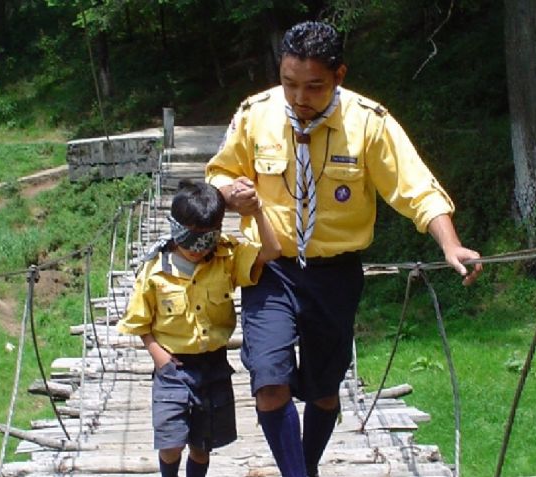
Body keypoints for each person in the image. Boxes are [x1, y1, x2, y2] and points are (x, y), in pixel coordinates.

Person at [205, 21, 482, 477]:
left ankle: (305, 466)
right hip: (268, 265)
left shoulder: (369, 123)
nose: (298, 97)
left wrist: (450, 244)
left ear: (339, 75)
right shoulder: (256, 113)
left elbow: (416, 189)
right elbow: (219, 170)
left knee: (324, 389)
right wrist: (227, 192)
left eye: (313, 86)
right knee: (268, 382)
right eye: (289, 83)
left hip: (335, 272)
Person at [118, 179, 281, 477]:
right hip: (173, 368)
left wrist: (257, 211)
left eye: (204, 242)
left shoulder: (226, 258)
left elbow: (272, 251)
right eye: (188, 240)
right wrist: (159, 357)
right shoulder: (154, 272)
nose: (195, 250)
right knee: (170, 442)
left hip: (214, 366)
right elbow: (139, 323)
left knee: (202, 444)